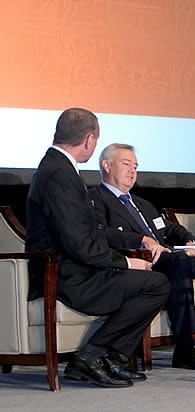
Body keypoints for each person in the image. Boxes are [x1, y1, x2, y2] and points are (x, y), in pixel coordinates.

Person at [25, 108, 171, 388]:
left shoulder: (57, 167)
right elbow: (79, 243)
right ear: (90, 140)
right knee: (156, 285)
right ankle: (91, 357)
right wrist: (126, 263)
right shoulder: (59, 173)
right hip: (67, 275)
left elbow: (87, 236)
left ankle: (110, 357)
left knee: (153, 281)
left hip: (74, 267)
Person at [89, 143, 195, 369]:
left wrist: (187, 241)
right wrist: (141, 240)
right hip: (141, 261)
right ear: (106, 166)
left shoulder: (142, 204)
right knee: (180, 262)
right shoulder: (96, 199)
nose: (133, 171)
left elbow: (167, 228)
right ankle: (186, 346)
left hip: (169, 257)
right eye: (126, 164)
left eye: (136, 166)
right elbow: (100, 234)